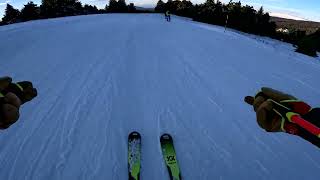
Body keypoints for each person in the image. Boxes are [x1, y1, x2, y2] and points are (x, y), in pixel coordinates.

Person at [245, 87, 320, 148]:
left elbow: (269, 127)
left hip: (300, 123)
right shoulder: (264, 94)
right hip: (303, 117)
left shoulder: (261, 113)